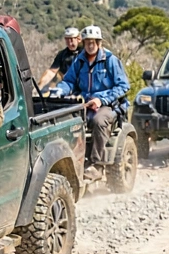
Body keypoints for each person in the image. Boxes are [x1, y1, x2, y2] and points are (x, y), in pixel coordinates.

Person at [54, 25, 130, 180]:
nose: (90, 45)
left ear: (99, 42)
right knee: (64, 122)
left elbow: (123, 86)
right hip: (84, 103)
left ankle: (97, 165)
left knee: (98, 121)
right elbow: (68, 81)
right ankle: (72, 162)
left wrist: (101, 99)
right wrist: (59, 91)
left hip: (108, 104)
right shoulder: (79, 61)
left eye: (93, 42)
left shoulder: (110, 60)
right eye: (87, 42)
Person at [40, 27, 83, 92]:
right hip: (66, 85)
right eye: (67, 40)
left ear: (78, 39)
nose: (70, 43)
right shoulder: (62, 54)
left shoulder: (85, 53)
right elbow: (51, 72)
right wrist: (40, 86)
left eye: (71, 40)